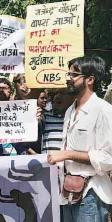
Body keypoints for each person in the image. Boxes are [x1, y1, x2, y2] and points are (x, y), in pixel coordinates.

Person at [47, 56, 112, 222]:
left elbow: (108, 159)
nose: (69, 78)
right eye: (68, 74)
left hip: (91, 193)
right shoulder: (70, 110)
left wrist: (67, 154)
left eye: (74, 75)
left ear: (90, 80)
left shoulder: (103, 110)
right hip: (67, 191)